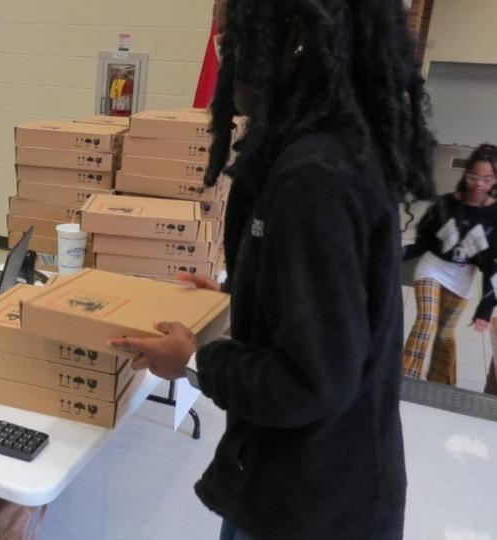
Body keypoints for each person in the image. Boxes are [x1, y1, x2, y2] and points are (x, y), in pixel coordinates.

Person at [109, 1, 434, 538]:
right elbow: (328, 298)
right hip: (308, 480)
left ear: (298, 36)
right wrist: (245, 290)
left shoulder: (314, 176)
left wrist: (194, 363)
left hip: (312, 505)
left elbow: (311, 381)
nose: (226, 57)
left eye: (234, 36)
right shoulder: (324, 150)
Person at [403, 144, 497, 385]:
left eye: (486, 179)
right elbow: (422, 243)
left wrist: (485, 309)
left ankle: (440, 384)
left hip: (463, 276)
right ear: (466, 174)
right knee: (426, 320)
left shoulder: (494, 216)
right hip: (432, 267)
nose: (478, 184)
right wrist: (392, 256)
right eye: (473, 177)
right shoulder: (445, 204)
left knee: (445, 334)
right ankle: (407, 377)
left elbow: (491, 265)